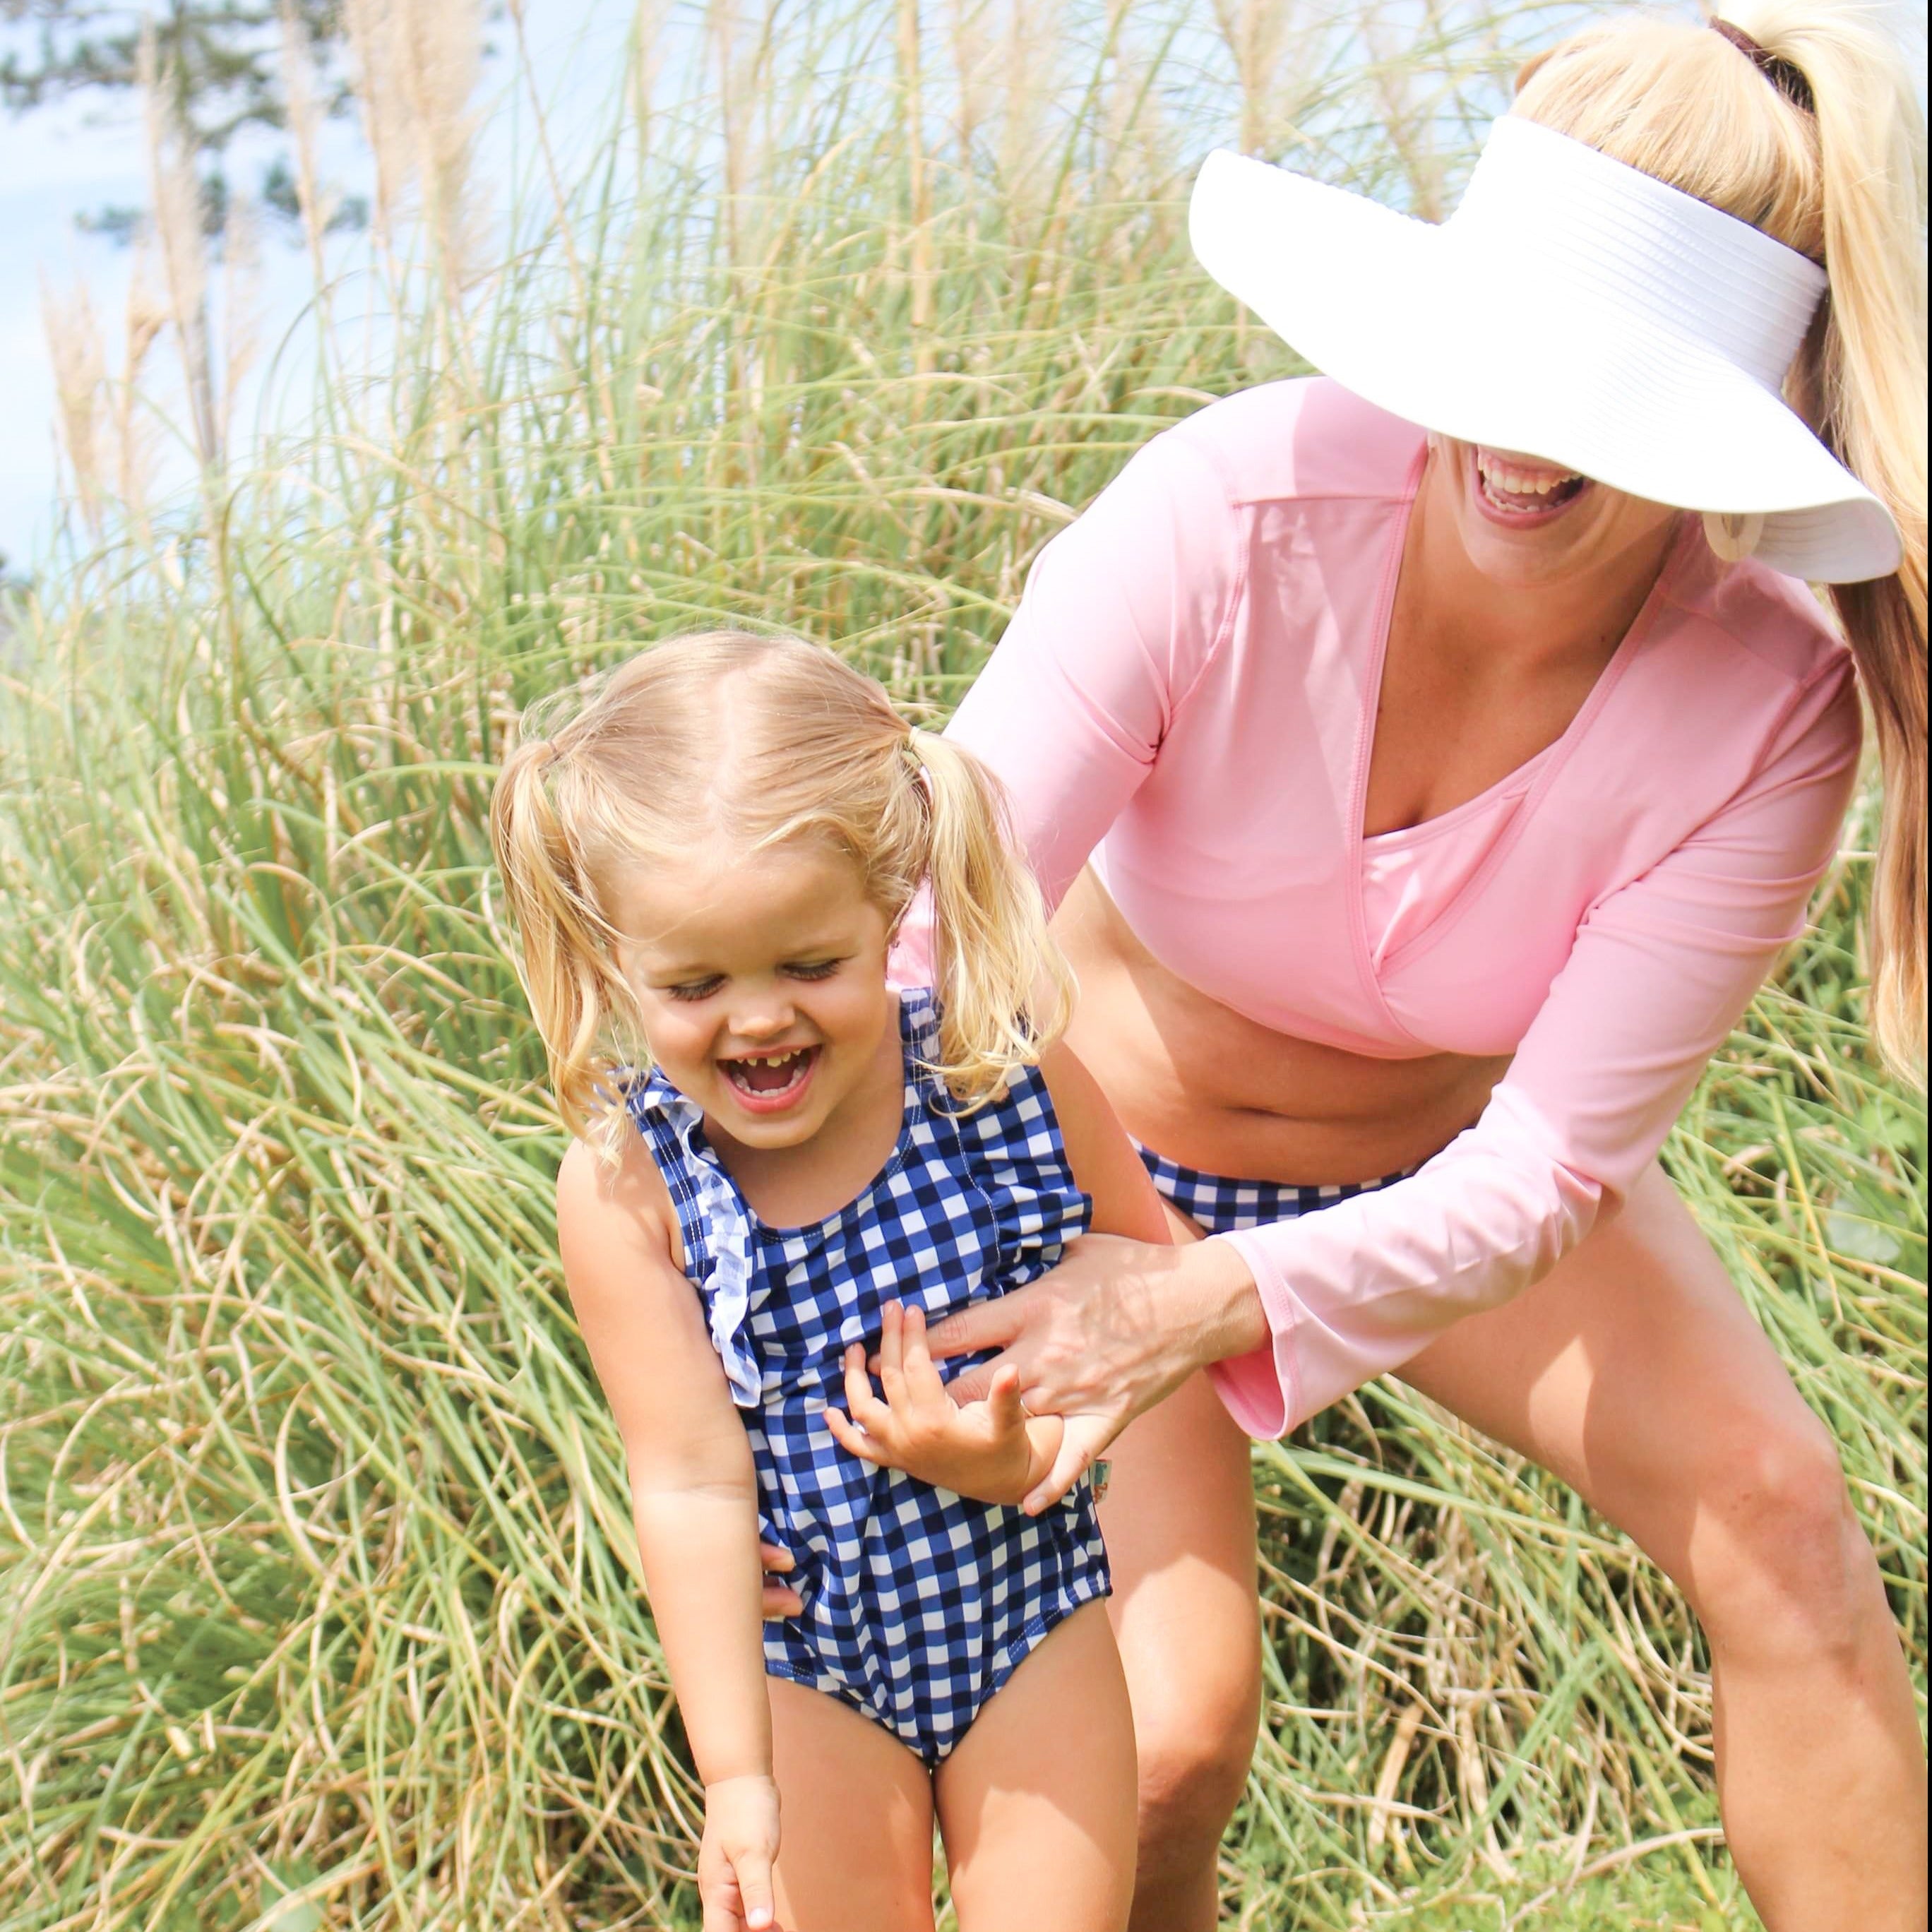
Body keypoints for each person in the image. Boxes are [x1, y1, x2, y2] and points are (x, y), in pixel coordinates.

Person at [888, 6, 1928, 1928]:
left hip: (1441, 1193)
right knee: (1173, 1743)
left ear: (1727, 433)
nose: (1520, 445)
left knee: (1783, 1523)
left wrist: (1227, 1296)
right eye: (1497, 361)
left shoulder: (1770, 706)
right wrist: (935, 1290)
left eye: (1610, 407)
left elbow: (1543, 1177)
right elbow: (926, 946)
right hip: (1085, 1176)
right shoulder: (1227, 512)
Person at [489, 632, 1169, 1932]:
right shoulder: (633, 1190)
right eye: (695, 985)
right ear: (618, 961)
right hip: (800, 1667)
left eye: (811, 966)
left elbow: (1144, 1273)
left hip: (1027, 1616)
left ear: (888, 909)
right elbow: (686, 1476)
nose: (758, 1021)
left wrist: (1015, 1452)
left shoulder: (994, 1078)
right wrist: (733, 1776)